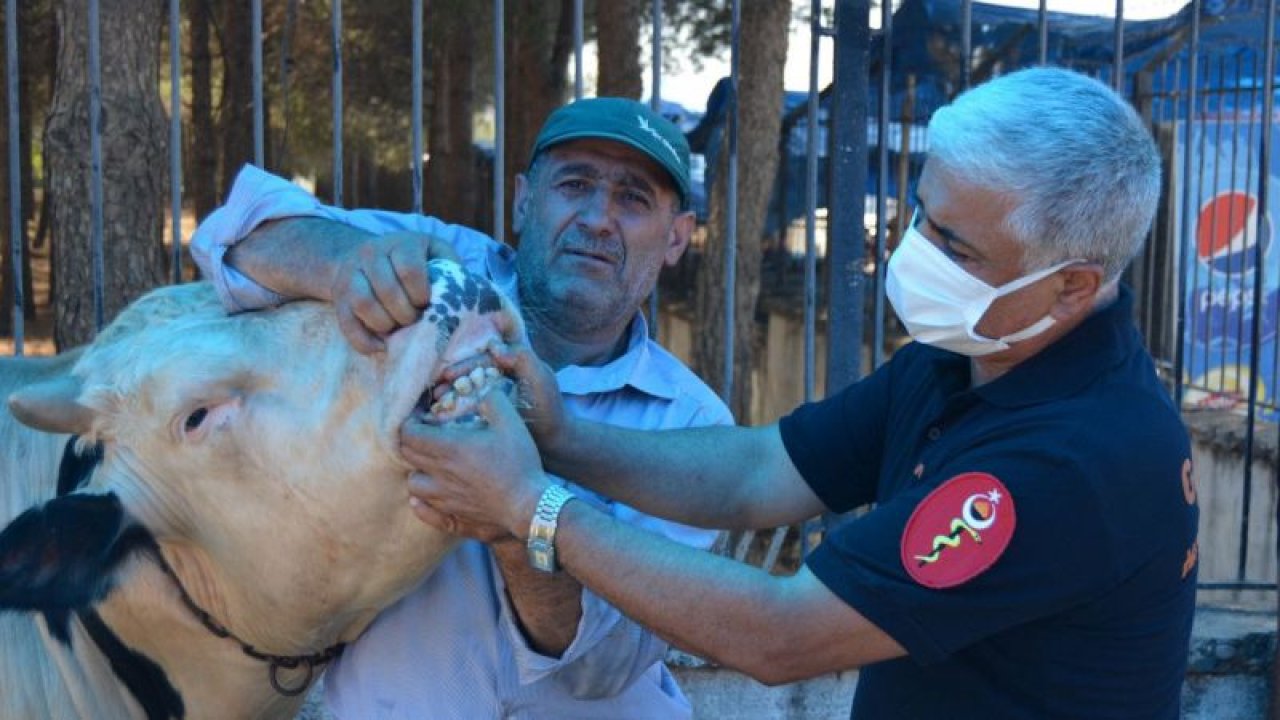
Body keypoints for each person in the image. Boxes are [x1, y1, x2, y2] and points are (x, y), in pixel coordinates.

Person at [401, 67, 1200, 719]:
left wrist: (530, 506)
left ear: (1069, 288)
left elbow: (780, 635)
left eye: (955, 246)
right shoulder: (970, 352)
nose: (914, 254)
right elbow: (758, 471)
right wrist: (561, 431)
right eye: (921, 217)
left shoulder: (1078, 459)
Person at [189, 97, 732, 718]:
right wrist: (344, 264)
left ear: (676, 238)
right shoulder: (445, 271)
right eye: (575, 184)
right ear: (524, 202)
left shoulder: (692, 426)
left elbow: (602, 667)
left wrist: (513, 515)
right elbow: (236, 237)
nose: (599, 218)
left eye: (634, 198)